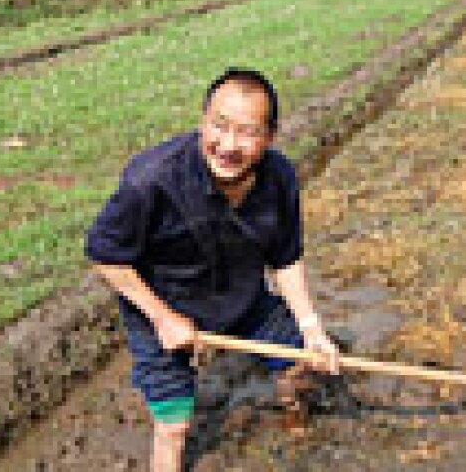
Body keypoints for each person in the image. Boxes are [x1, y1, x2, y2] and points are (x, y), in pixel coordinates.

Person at [85, 67, 340, 472]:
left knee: (299, 361)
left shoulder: (279, 178)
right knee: (172, 427)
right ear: (202, 120)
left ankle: (294, 416)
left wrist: (312, 328)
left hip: (241, 296)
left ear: (270, 137)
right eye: (219, 126)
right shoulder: (151, 180)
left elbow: (285, 258)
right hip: (162, 307)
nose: (228, 145)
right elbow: (105, 254)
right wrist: (163, 318)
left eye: (247, 132)